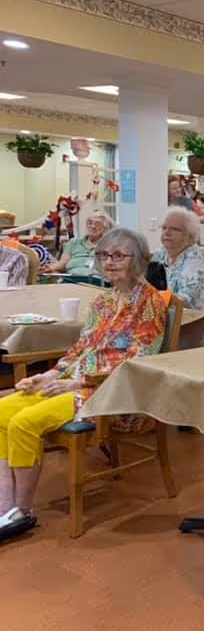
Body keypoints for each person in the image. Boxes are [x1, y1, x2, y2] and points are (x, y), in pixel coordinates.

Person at [0, 228, 166, 540]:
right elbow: (80, 350)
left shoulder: (150, 303)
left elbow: (135, 363)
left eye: (118, 255)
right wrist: (49, 375)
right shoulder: (103, 302)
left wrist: (74, 384)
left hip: (111, 393)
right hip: (75, 383)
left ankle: (22, 512)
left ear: (139, 260)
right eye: (103, 255)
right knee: (1, 411)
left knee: (23, 422)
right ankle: (5, 506)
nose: (109, 262)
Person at [152, 207, 204, 323]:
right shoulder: (161, 253)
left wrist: (152, 300)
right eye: (164, 228)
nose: (167, 232)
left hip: (201, 324)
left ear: (190, 235)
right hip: (171, 319)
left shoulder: (197, 257)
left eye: (175, 229)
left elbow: (186, 299)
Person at [40, 213, 109, 277]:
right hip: (73, 279)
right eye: (90, 223)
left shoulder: (108, 245)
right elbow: (62, 263)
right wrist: (50, 267)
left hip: (97, 282)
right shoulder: (74, 242)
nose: (92, 226)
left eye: (97, 224)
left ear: (104, 229)